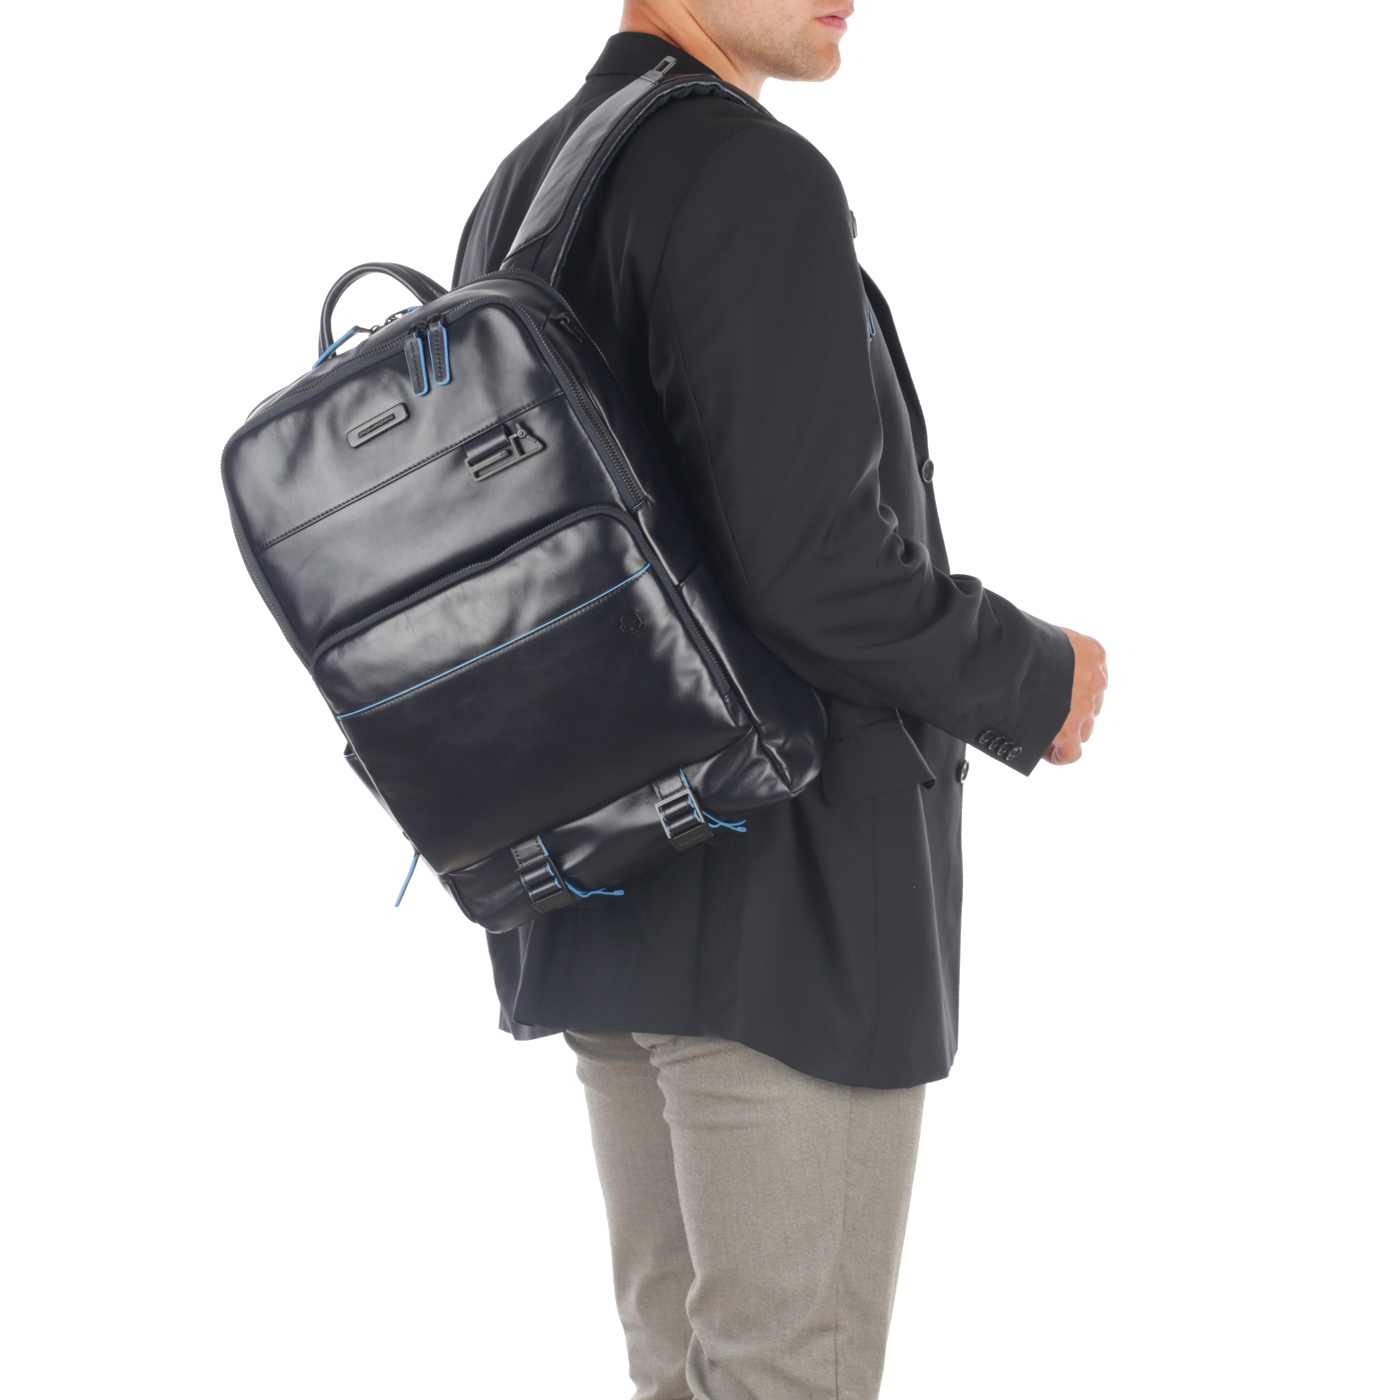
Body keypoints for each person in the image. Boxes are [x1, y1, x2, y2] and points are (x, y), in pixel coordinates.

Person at [453, 3, 1108, 1397]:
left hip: (605, 885)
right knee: (782, 1378)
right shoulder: (750, 173)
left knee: (684, 1372)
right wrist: (1036, 676)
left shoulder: (528, 184)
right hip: (786, 914)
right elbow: (819, 575)